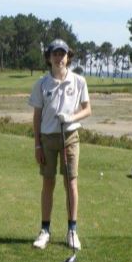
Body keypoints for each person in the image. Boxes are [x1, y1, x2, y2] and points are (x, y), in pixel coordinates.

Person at [28, 39, 91, 250]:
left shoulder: (79, 81)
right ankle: (45, 230)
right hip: (47, 138)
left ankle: (72, 230)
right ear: (49, 57)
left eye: (62, 54)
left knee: (71, 183)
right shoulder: (41, 83)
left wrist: (72, 117)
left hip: (70, 136)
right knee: (48, 183)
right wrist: (37, 145)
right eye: (55, 54)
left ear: (68, 57)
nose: (59, 58)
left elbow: (87, 109)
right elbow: (36, 117)